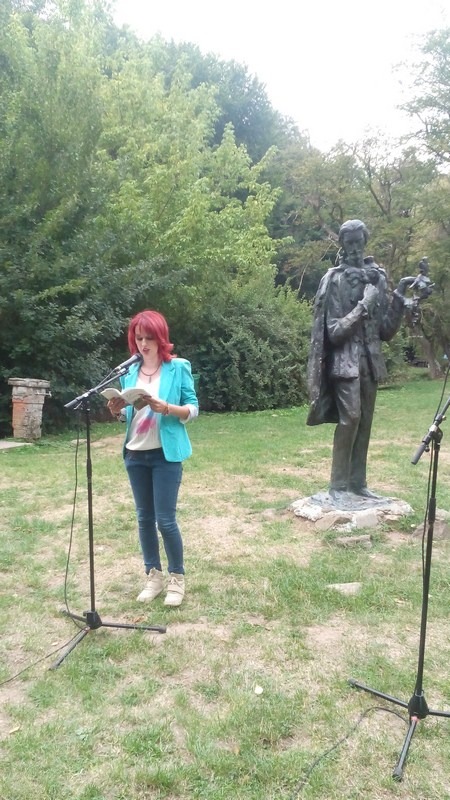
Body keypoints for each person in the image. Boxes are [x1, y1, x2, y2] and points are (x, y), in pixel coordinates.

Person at [307, 219, 415, 503]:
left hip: (370, 363)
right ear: (342, 245)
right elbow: (334, 331)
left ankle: (358, 483)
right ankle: (337, 487)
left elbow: (385, 332)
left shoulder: (376, 278)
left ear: (365, 242)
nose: (355, 248)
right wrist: (364, 305)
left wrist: (399, 296)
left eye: (359, 242)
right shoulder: (335, 280)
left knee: (365, 423)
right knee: (351, 419)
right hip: (345, 364)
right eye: (350, 243)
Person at [107, 310, 199, 606]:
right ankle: (153, 576)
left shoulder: (178, 367)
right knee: (144, 518)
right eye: (138, 338)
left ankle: (177, 578)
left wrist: (167, 408)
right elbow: (128, 415)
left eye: (149, 338)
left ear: (161, 338)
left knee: (165, 520)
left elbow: (193, 408)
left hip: (165, 455)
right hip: (135, 454)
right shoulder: (129, 372)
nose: (143, 344)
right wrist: (117, 411)